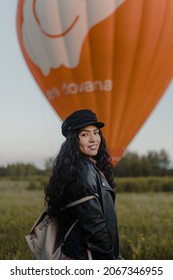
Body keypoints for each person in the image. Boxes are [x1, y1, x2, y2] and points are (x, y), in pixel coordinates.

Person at [44, 109, 120, 260]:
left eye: (96, 132)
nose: (93, 139)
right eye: (85, 134)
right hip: (84, 257)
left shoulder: (82, 167)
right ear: (74, 140)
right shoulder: (84, 171)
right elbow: (94, 227)